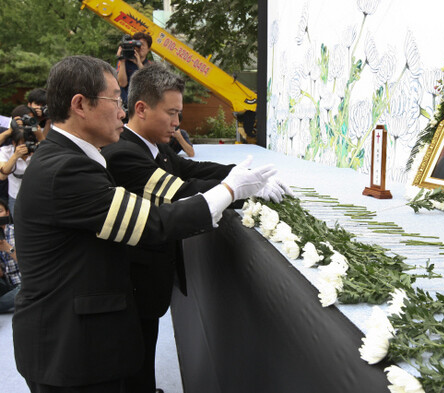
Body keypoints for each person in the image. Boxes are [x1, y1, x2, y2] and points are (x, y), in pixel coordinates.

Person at [13, 55, 275, 393]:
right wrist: (230, 189)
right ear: (80, 105)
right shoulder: (66, 169)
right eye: (115, 101)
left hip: (81, 345)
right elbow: (151, 222)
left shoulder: (72, 158)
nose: (123, 112)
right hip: (70, 352)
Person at [102, 62, 291, 393]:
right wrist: (239, 190)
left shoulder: (153, 145)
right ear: (142, 108)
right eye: (172, 113)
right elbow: (180, 191)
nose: (177, 123)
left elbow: (190, 167)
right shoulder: (123, 153)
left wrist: (241, 173)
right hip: (131, 280)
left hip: (147, 279)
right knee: (132, 354)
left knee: (143, 347)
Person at [0, 105, 39, 212]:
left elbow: (49, 149)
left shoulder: (36, 143)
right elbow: (3, 175)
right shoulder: (7, 148)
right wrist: (11, 129)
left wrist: (36, 128)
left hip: (36, 196)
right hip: (14, 195)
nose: (26, 122)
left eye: (30, 119)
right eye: (23, 118)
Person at [116, 32, 153, 106]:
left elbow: (150, 84)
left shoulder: (150, 65)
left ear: (148, 49)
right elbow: (122, 84)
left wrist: (139, 64)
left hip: (144, 104)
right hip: (126, 104)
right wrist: (122, 61)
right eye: (138, 44)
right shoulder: (124, 62)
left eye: (143, 44)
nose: (140, 47)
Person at [0, 198, 19, 313]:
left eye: (0, 211)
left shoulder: (18, 232)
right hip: (7, 285)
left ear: (7, 213)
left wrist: (8, 249)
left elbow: (30, 264)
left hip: (23, 283)